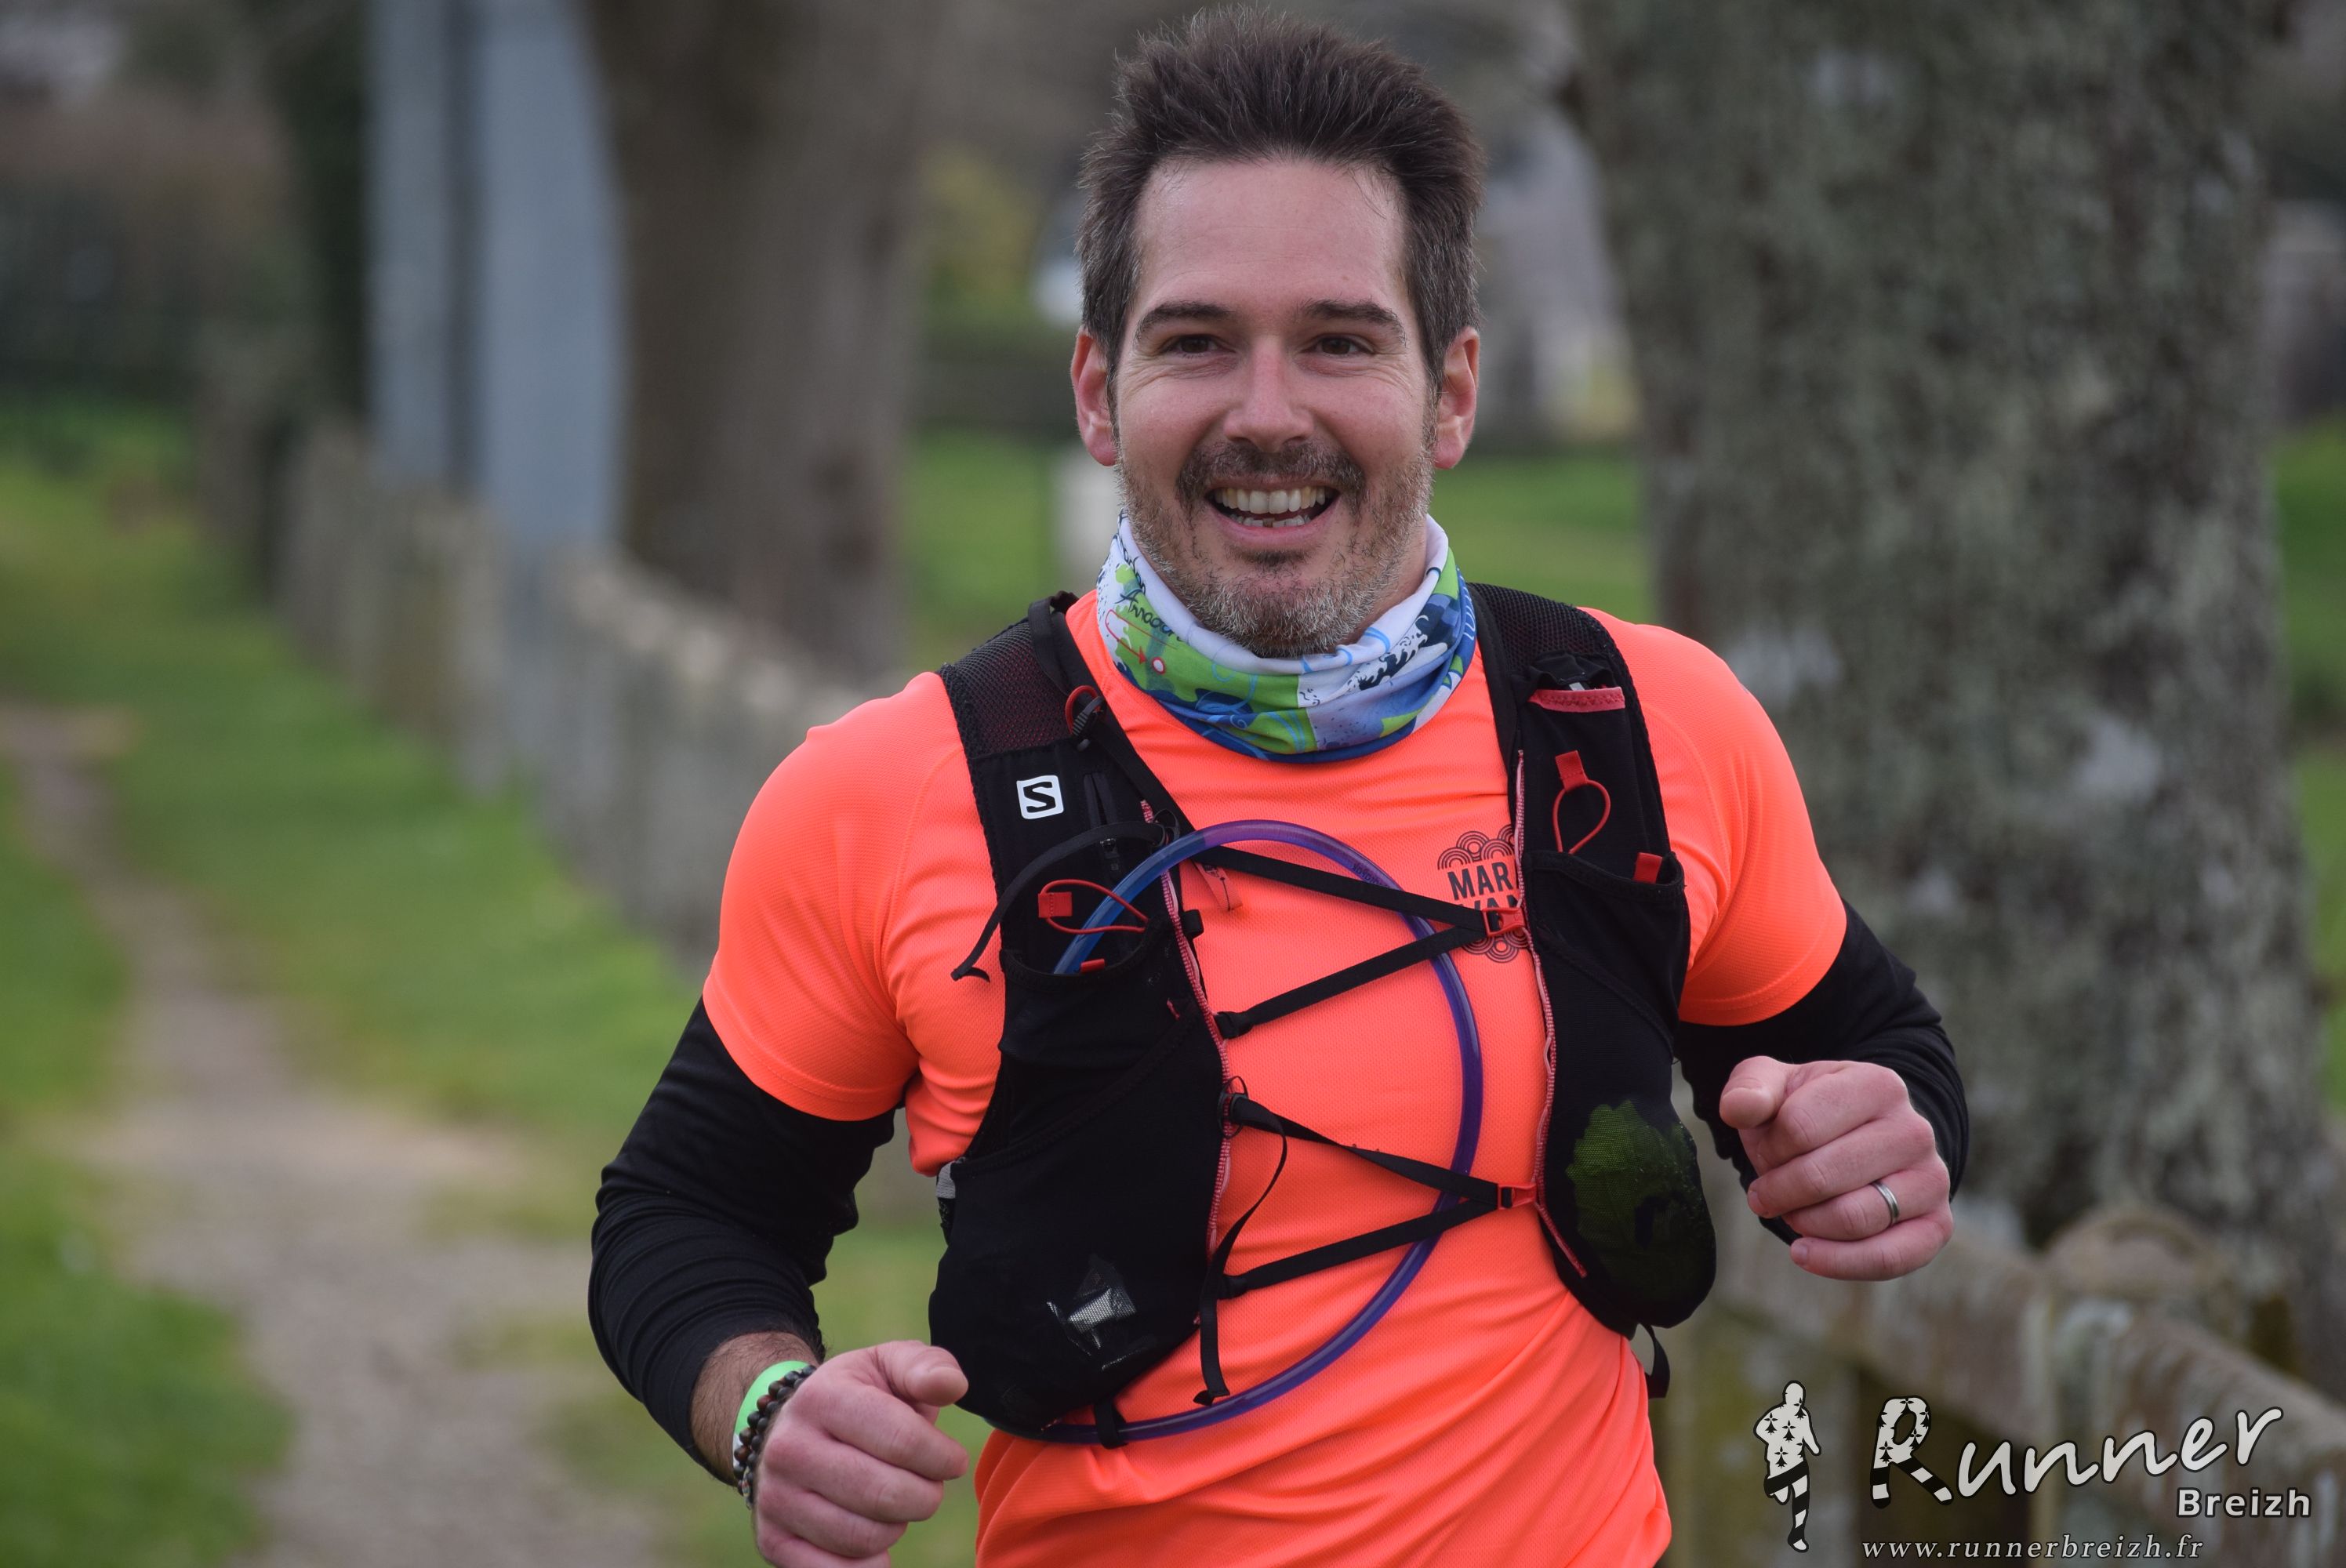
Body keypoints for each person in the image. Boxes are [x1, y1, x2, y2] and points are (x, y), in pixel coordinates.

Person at [589, 12, 1966, 1566]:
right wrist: (768, 1410)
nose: (1266, 412)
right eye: (1195, 342)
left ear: (1448, 392)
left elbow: (1876, 1050)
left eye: (1338, 340)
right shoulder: (890, 791)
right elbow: (685, 1213)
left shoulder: (1646, 725)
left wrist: (1884, 1139)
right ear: (1098, 391)